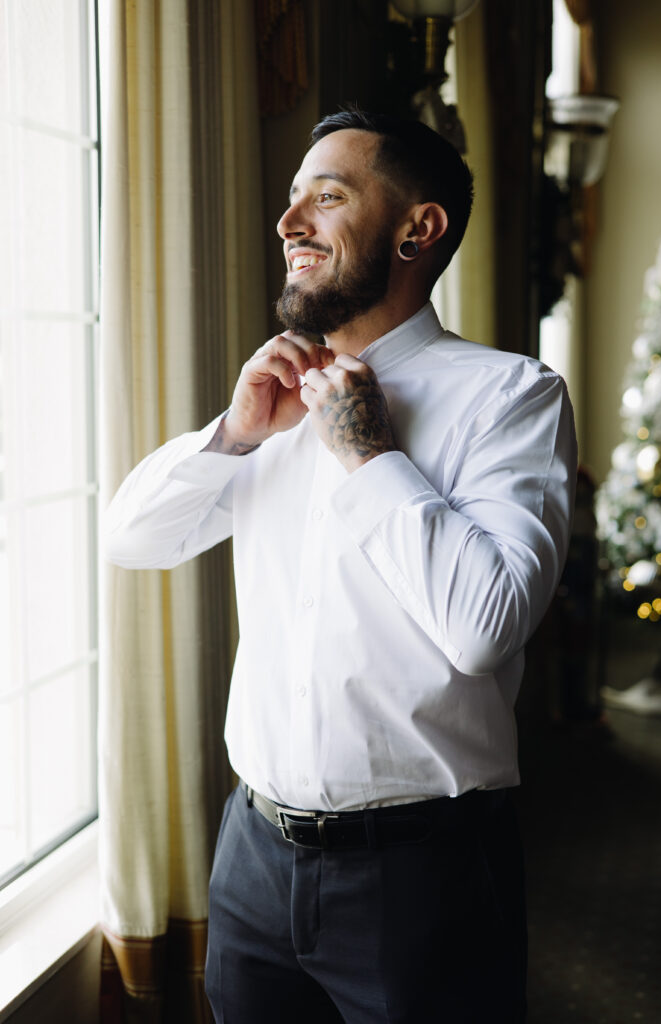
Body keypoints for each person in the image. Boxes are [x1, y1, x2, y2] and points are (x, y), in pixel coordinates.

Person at [105, 108, 577, 1023]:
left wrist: (370, 456)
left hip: (423, 874)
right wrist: (234, 434)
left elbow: (484, 631)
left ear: (417, 228)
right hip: (250, 855)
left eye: (325, 198)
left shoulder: (510, 395)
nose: (288, 225)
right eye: (290, 202)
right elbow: (132, 540)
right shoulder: (275, 402)